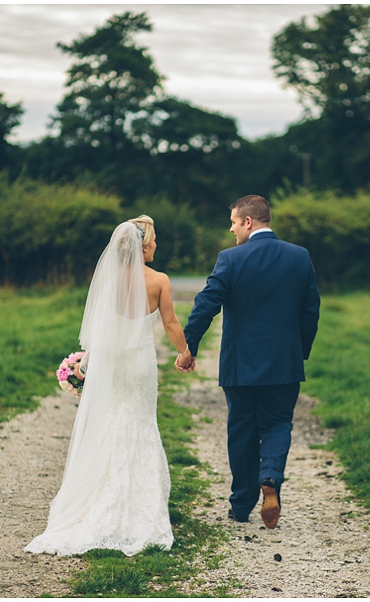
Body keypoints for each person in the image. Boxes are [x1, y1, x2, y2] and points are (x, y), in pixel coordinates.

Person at [25, 215, 192, 557]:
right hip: (140, 365)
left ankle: (101, 497)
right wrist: (186, 352)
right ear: (143, 246)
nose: (157, 245)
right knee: (140, 421)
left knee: (112, 420)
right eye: (154, 240)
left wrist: (87, 361)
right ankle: (139, 505)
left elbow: (99, 327)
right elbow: (171, 322)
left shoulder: (108, 281)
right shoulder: (158, 280)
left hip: (112, 364)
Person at [176, 195, 320, 529]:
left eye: (234, 222)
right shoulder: (300, 257)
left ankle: (241, 506)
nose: (231, 229)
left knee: (241, 431)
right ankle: (270, 478)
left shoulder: (230, 259)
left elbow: (205, 304)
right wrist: (300, 350)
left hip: (240, 366)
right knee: (278, 423)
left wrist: (189, 346)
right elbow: (310, 309)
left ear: (249, 222)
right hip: (284, 363)